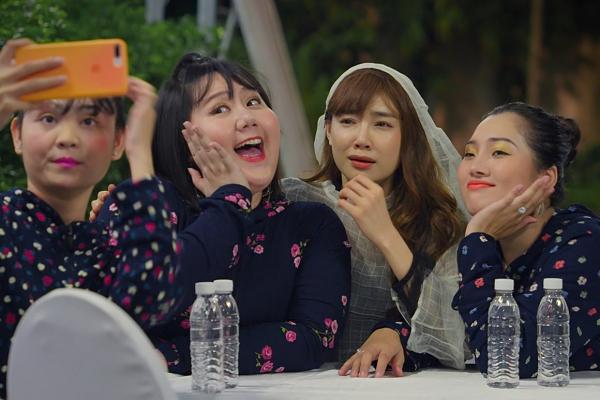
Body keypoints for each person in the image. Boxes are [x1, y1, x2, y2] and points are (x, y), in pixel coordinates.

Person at [97, 53, 351, 375]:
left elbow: (313, 339)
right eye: (220, 108)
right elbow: (134, 310)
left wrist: (172, 356)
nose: (246, 118)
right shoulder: (147, 208)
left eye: (254, 102)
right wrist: (229, 201)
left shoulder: (312, 224)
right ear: (181, 137)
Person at [0, 38, 181, 399]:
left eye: (89, 121)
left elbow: (151, 300)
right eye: (48, 118)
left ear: (117, 142)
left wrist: (140, 153)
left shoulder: (109, 247)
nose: (67, 138)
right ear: (17, 134)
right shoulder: (5, 220)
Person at [282, 63, 470, 378]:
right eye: (347, 121)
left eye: (382, 124)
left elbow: (457, 335)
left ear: (408, 137)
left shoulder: (440, 221)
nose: (362, 139)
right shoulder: (294, 203)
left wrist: (385, 235)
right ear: (328, 130)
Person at [451, 102, 600, 377]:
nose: (476, 167)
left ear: (547, 177)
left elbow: (508, 359)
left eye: (499, 152)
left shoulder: (586, 243)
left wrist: (478, 238)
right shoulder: (475, 243)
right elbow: (435, 327)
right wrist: (391, 333)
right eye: (469, 153)